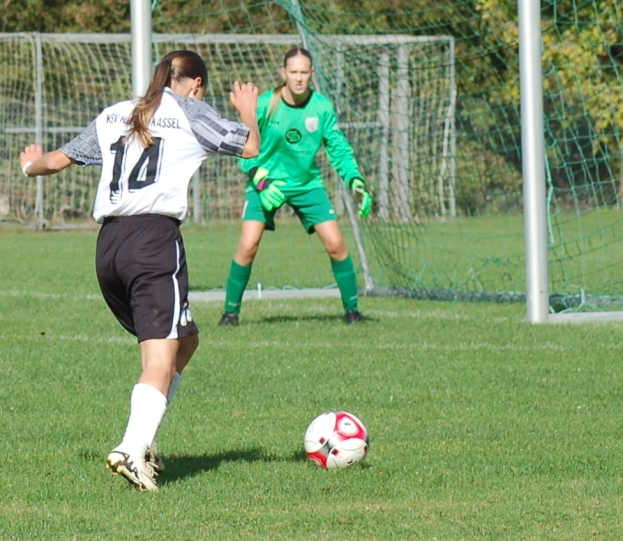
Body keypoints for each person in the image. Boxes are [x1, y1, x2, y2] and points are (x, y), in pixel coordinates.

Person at [20, 50, 260, 491]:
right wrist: (248, 111)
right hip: (153, 242)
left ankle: (144, 439)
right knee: (159, 360)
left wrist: (27, 165)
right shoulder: (189, 111)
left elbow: (54, 162)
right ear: (196, 84)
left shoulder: (117, 113)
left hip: (109, 246)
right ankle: (131, 448)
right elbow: (250, 147)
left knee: (185, 340)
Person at [220, 46, 373, 326]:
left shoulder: (322, 108)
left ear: (312, 73)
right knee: (248, 245)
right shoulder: (266, 104)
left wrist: (355, 180)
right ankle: (230, 314)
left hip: (307, 184)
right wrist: (260, 179)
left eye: (304, 72)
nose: (299, 78)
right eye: (293, 72)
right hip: (265, 183)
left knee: (336, 244)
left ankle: (352, 311)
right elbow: (242, 146)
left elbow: (338, 149)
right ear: (283, 72)